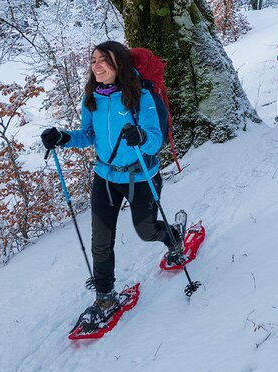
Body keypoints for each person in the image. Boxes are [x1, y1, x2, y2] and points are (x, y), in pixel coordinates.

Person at [41, 40, 183, 327]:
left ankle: (173, 238)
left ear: (118, 63)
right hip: (105, 177)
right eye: (93, 60)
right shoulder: (92, 98)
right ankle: (105, 297)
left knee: (145, 230)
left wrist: (141, 137)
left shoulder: (140, 95)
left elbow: (155, 138)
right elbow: (88, 134)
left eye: (103, 60)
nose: (96, 65)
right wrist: (63, 138)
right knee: (100, 242)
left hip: (141, 175)